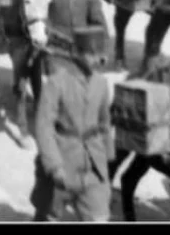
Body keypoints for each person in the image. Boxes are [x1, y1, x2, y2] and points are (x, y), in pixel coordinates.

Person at [31, 26, 113, 222]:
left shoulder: (101, 83)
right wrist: (54, 166)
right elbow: (44, 127)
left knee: (99, 217)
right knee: (49, 215)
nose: (95, 59)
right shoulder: (57, 82)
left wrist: (108, 158)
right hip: (62, 162)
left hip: (93, 165)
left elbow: (104, 124)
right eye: (90, 53)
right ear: (75, 52)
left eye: (98, 54)